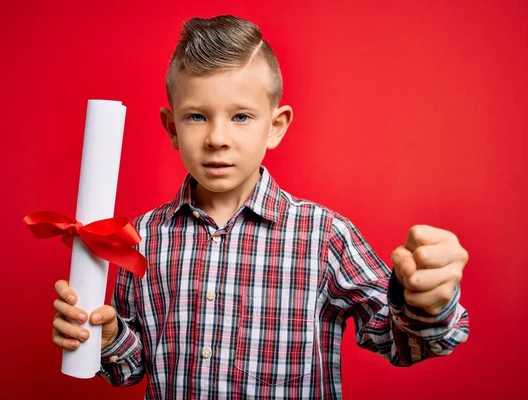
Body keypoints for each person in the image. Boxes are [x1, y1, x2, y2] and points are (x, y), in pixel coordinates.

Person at [51, 15, 469, 399]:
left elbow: (399, 342)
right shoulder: (139, 239)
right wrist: (107, 337)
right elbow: (135, 366)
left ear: (276, 126)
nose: (217, 138)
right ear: (171, 128)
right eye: (197, 116)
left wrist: (423, 304)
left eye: (241, 117)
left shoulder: (322, 236)